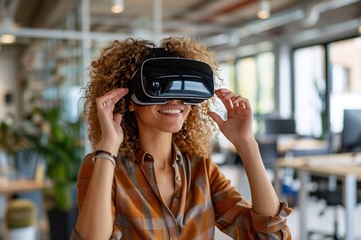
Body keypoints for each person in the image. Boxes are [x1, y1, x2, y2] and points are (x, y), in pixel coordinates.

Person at [72, 37, 292, 239]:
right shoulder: (103, 168)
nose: (175, 99)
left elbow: (271, 236)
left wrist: (246, 144)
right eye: (159, 87)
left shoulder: (202, 171)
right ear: (128, 99)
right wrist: (108, 147)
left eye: (183, 88)